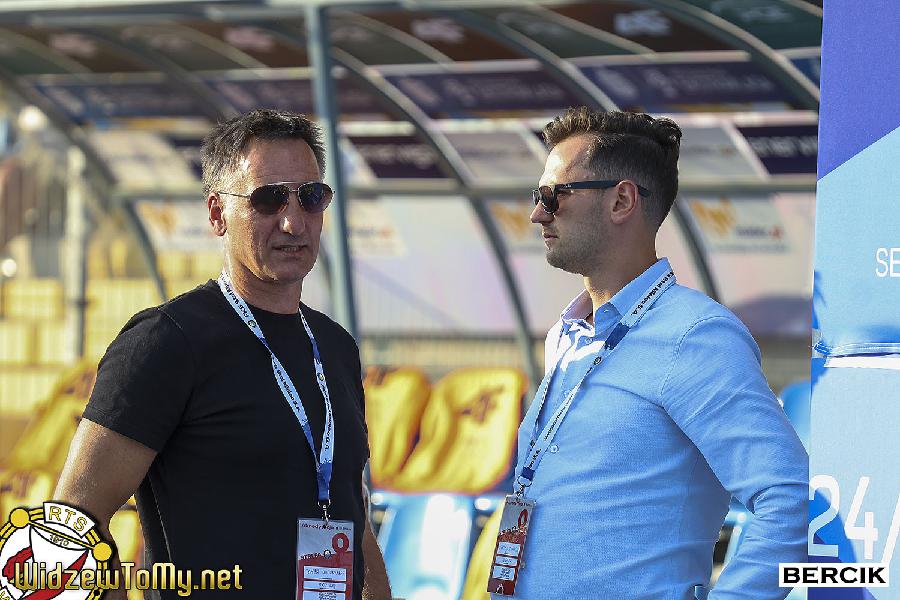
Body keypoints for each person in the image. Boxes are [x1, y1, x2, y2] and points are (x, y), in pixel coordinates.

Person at [54, 109, 391, 600]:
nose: (293, 221)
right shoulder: (166, 341)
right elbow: (72, 521)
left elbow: (349, 509)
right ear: (217, 214)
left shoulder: (336, 347)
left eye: (310, 197)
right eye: (268, 199)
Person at [497, 108, 807, 599]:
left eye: (554, 195)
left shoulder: (696, 336)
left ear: (622, 200)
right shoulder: (568, 335)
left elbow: (790, 497)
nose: (538, 214)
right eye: (537, 197)